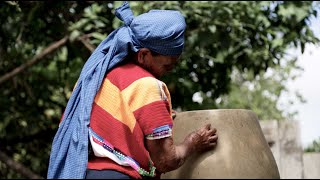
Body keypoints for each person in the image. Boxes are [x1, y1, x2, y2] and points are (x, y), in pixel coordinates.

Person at [47, 1, 218, 179]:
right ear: (143, 54)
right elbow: (166, 160)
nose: (168, 72)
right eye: (167, 66)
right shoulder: (148, 86)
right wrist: (194, 142)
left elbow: (119, 123)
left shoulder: (97, 75)